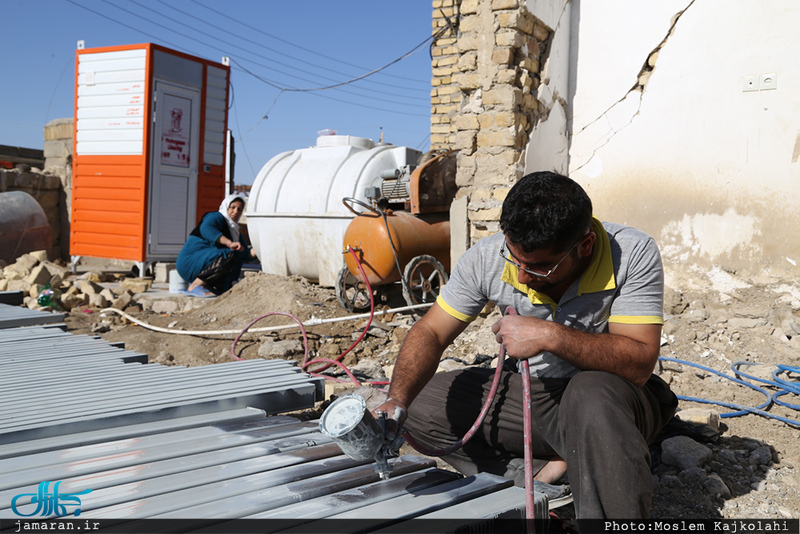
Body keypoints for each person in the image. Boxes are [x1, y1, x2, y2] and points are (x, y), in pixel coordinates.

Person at [375, 171, 677, 519]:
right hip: (536, 400)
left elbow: (639, 364)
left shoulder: (632, 253)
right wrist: (396, 399)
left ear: (585, 246)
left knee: (590, 393)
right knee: (424, 403)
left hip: (611, 401)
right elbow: (431, 331)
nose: (521, 276)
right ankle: (547, 474)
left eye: (541, 267)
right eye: (514, 259)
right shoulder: (487, 258)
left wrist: (551, 335)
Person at [176, 193, 257, 297]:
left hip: (204, 265)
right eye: (233, 207)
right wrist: (229, 243)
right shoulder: (216, 217)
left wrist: (262, 249)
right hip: (190, 262)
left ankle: (215, 288)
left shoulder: (234, 231)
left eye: (239, 209)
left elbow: (245, 253)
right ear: (226, 206)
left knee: (235, 256)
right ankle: (195, 286)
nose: (235, 211)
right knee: (229, 254)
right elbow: (206, 229)